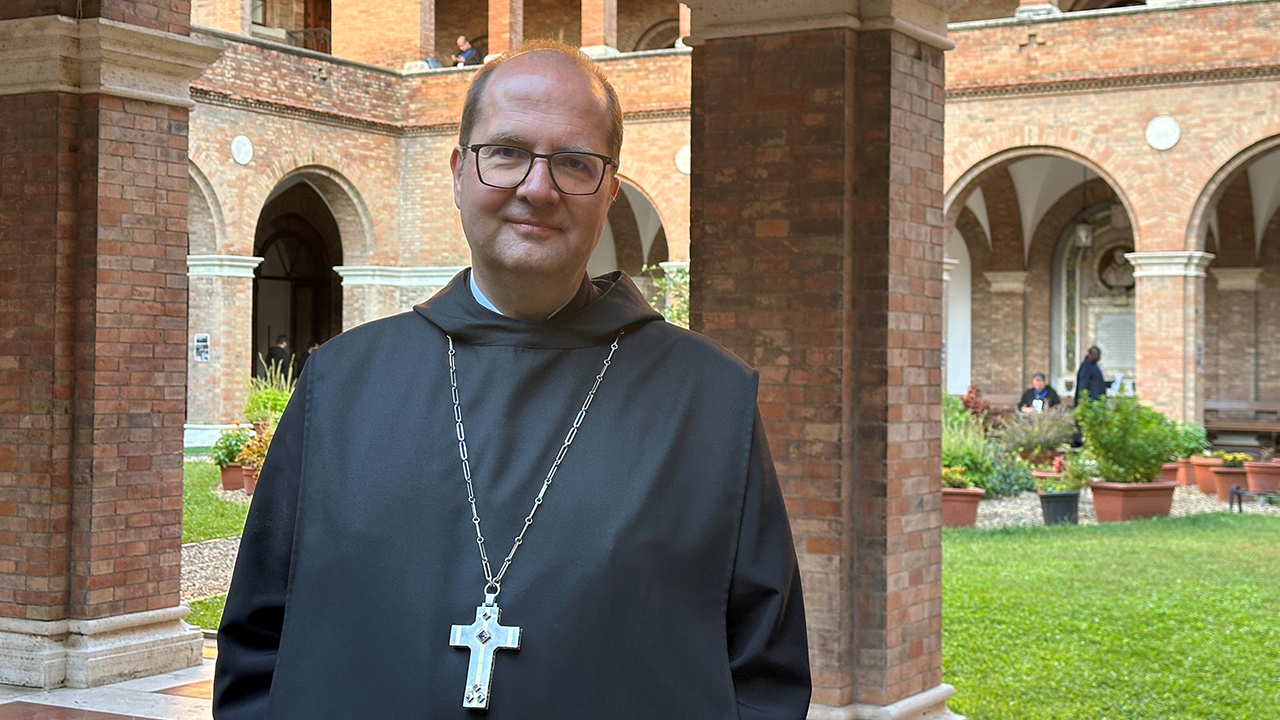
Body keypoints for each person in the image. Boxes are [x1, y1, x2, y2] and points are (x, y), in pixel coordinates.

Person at [214, 41, 810, 720]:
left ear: (609, 189)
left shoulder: (710, 400)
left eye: (574, 162)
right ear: (458, 171)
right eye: (506, 153)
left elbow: (764, 677)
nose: (537, 187)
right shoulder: (340, 384)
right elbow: (257, 651)